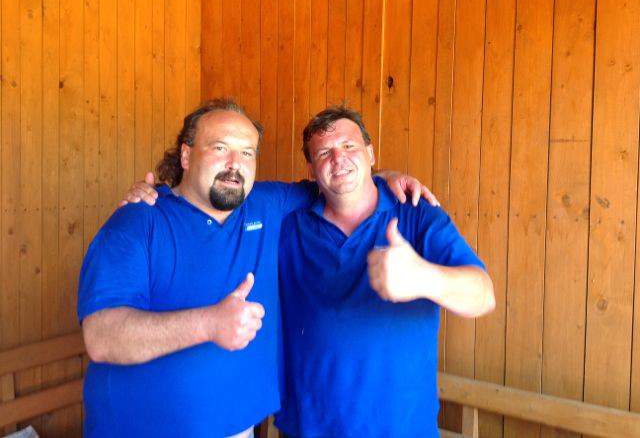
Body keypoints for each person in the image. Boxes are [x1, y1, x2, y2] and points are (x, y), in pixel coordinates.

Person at [78, 98, 434, 438]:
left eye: (247, 152)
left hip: (239, 427)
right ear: (186, 155)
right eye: (220, 147)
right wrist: (208, 323)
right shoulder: (138, 222)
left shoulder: (267, 204)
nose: (235, 163)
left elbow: (340, 181)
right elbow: (101, 336)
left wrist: (385, 176)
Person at [274, 106, 495, 437]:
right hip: (308, 428)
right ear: (311, 168)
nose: (338, 158)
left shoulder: (416, 214)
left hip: (401, 428)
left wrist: (423, 277)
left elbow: (483, 295)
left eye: (349, 146)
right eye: (323, 152)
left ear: (371, 153)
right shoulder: (289, 224)